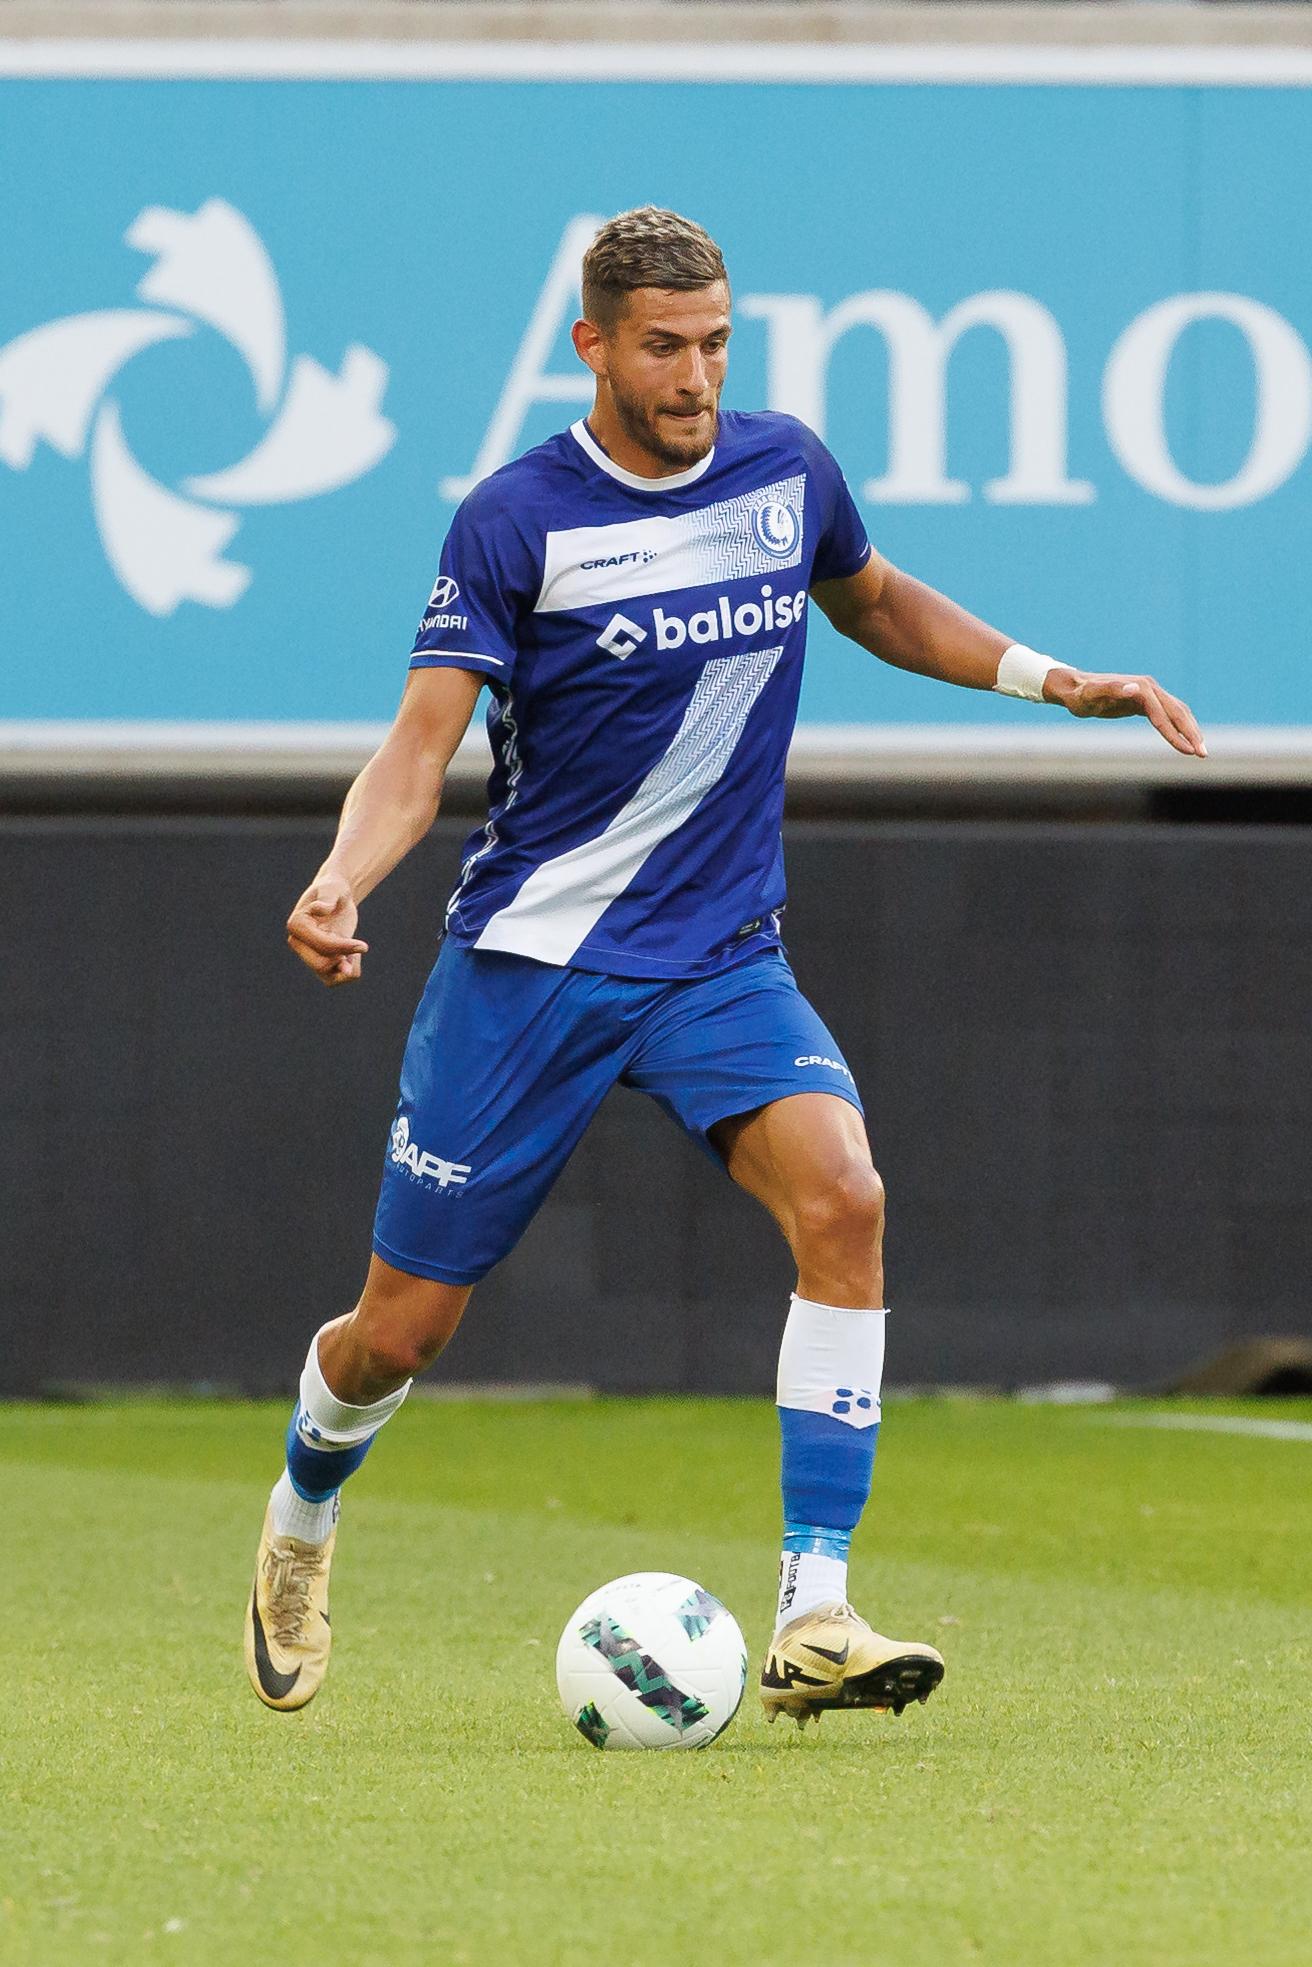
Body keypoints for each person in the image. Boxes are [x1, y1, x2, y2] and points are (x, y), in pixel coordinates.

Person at [244, 206, 1205, 1728]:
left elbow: (873, 600)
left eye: (714, 346)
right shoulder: (514, 520)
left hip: (717, 956)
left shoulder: (785, 470)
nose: (695, 378)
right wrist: (341, 876)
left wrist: (1050, 679)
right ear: (592, 345)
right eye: (662, 348)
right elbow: (420, 748)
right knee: (399, 1336)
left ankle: (814, 1612)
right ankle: (303, 1511)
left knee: (846, 1198)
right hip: (534, 964)